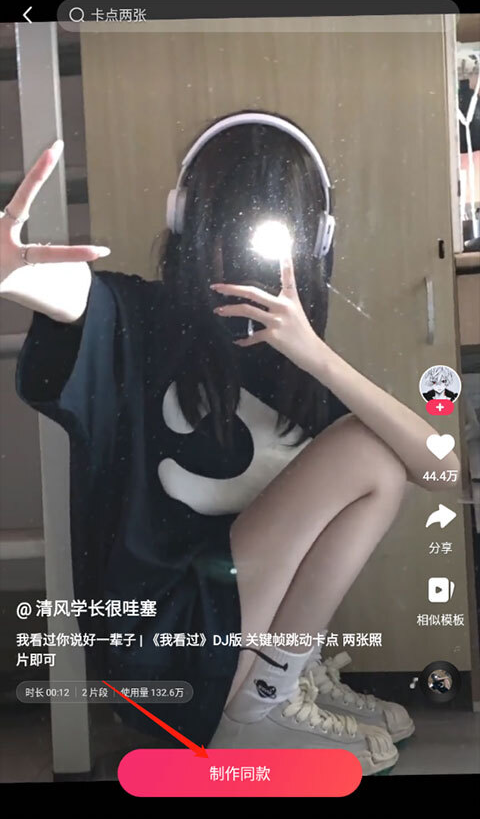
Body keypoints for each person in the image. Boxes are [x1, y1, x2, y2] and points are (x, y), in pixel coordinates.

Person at [0, 113, 460, 776]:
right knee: (367, 451)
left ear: (314, 240)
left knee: (377, 457)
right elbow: (78, 296)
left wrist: (316, 355)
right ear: (187, 221)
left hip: (224, 632)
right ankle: (257, 708)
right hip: (162, 646)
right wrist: (15, 272)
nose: (245, 248)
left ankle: (279, 681)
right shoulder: (138, 317)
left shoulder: (294, 364)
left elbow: (442, 472)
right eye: (227, 218)